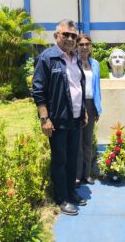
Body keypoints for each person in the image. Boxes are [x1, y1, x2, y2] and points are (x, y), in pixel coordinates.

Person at [32, 19, 88, 216]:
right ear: (56, 36)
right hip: (57, 120)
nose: (70, 39)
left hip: (75, 119)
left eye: (73, 35)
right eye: (66, 35)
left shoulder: (75, 58)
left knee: (73, 159)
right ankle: (62, 198)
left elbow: (77, 87)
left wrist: (84, 111)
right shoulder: (47, 58)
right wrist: (44, 119)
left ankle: (71, 192)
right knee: (60, 160)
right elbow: (38, 91)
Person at [75, 34, 102, 187]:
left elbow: (97, 87)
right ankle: (77, 175)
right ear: (77, 46)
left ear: (90, 46)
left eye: (87, 44)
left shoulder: (96, 64)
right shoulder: (73, 62)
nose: (84, 47)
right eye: (81, 44)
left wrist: (98, 108)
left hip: (92, 104)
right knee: (77, 141)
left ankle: (87, 174)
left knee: (87, 141)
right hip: (78, 105)